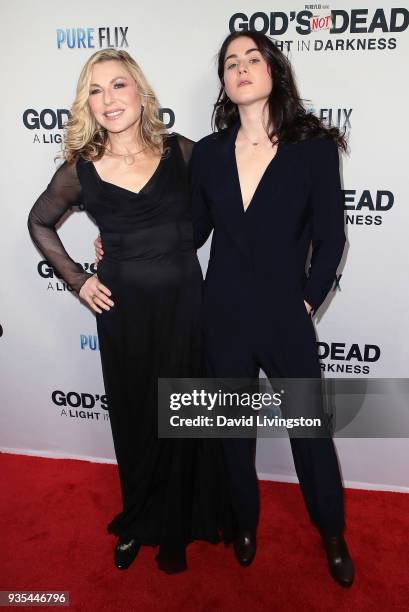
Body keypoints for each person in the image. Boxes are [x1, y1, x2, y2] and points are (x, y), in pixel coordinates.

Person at [28, 49, 231, 574]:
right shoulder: (80, 169)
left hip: (185, 303)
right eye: (95, 91)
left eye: (118, 85)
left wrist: (167, 240)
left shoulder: (182, 152)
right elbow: (39, 223)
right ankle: (140, 517)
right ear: (87, 105)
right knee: (137, 414)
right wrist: (77, 280)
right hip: (122, 310)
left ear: (139, 92)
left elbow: (211, 219)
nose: (108, 99)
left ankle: (186, 517)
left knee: (185, 413)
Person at [189, 31, 354, 587]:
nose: (239, 68)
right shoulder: (209, 153)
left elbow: (332, 238)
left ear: (273, 71)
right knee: (233, 432)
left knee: (309, 433)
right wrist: (121, 239)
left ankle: (331, 532)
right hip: (224, 317)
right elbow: (190, 232)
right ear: (224, 82)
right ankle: (244, 524)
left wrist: (307, 298)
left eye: (251, 58)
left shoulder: (313, 149)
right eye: (229, 63)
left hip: (286, 317)